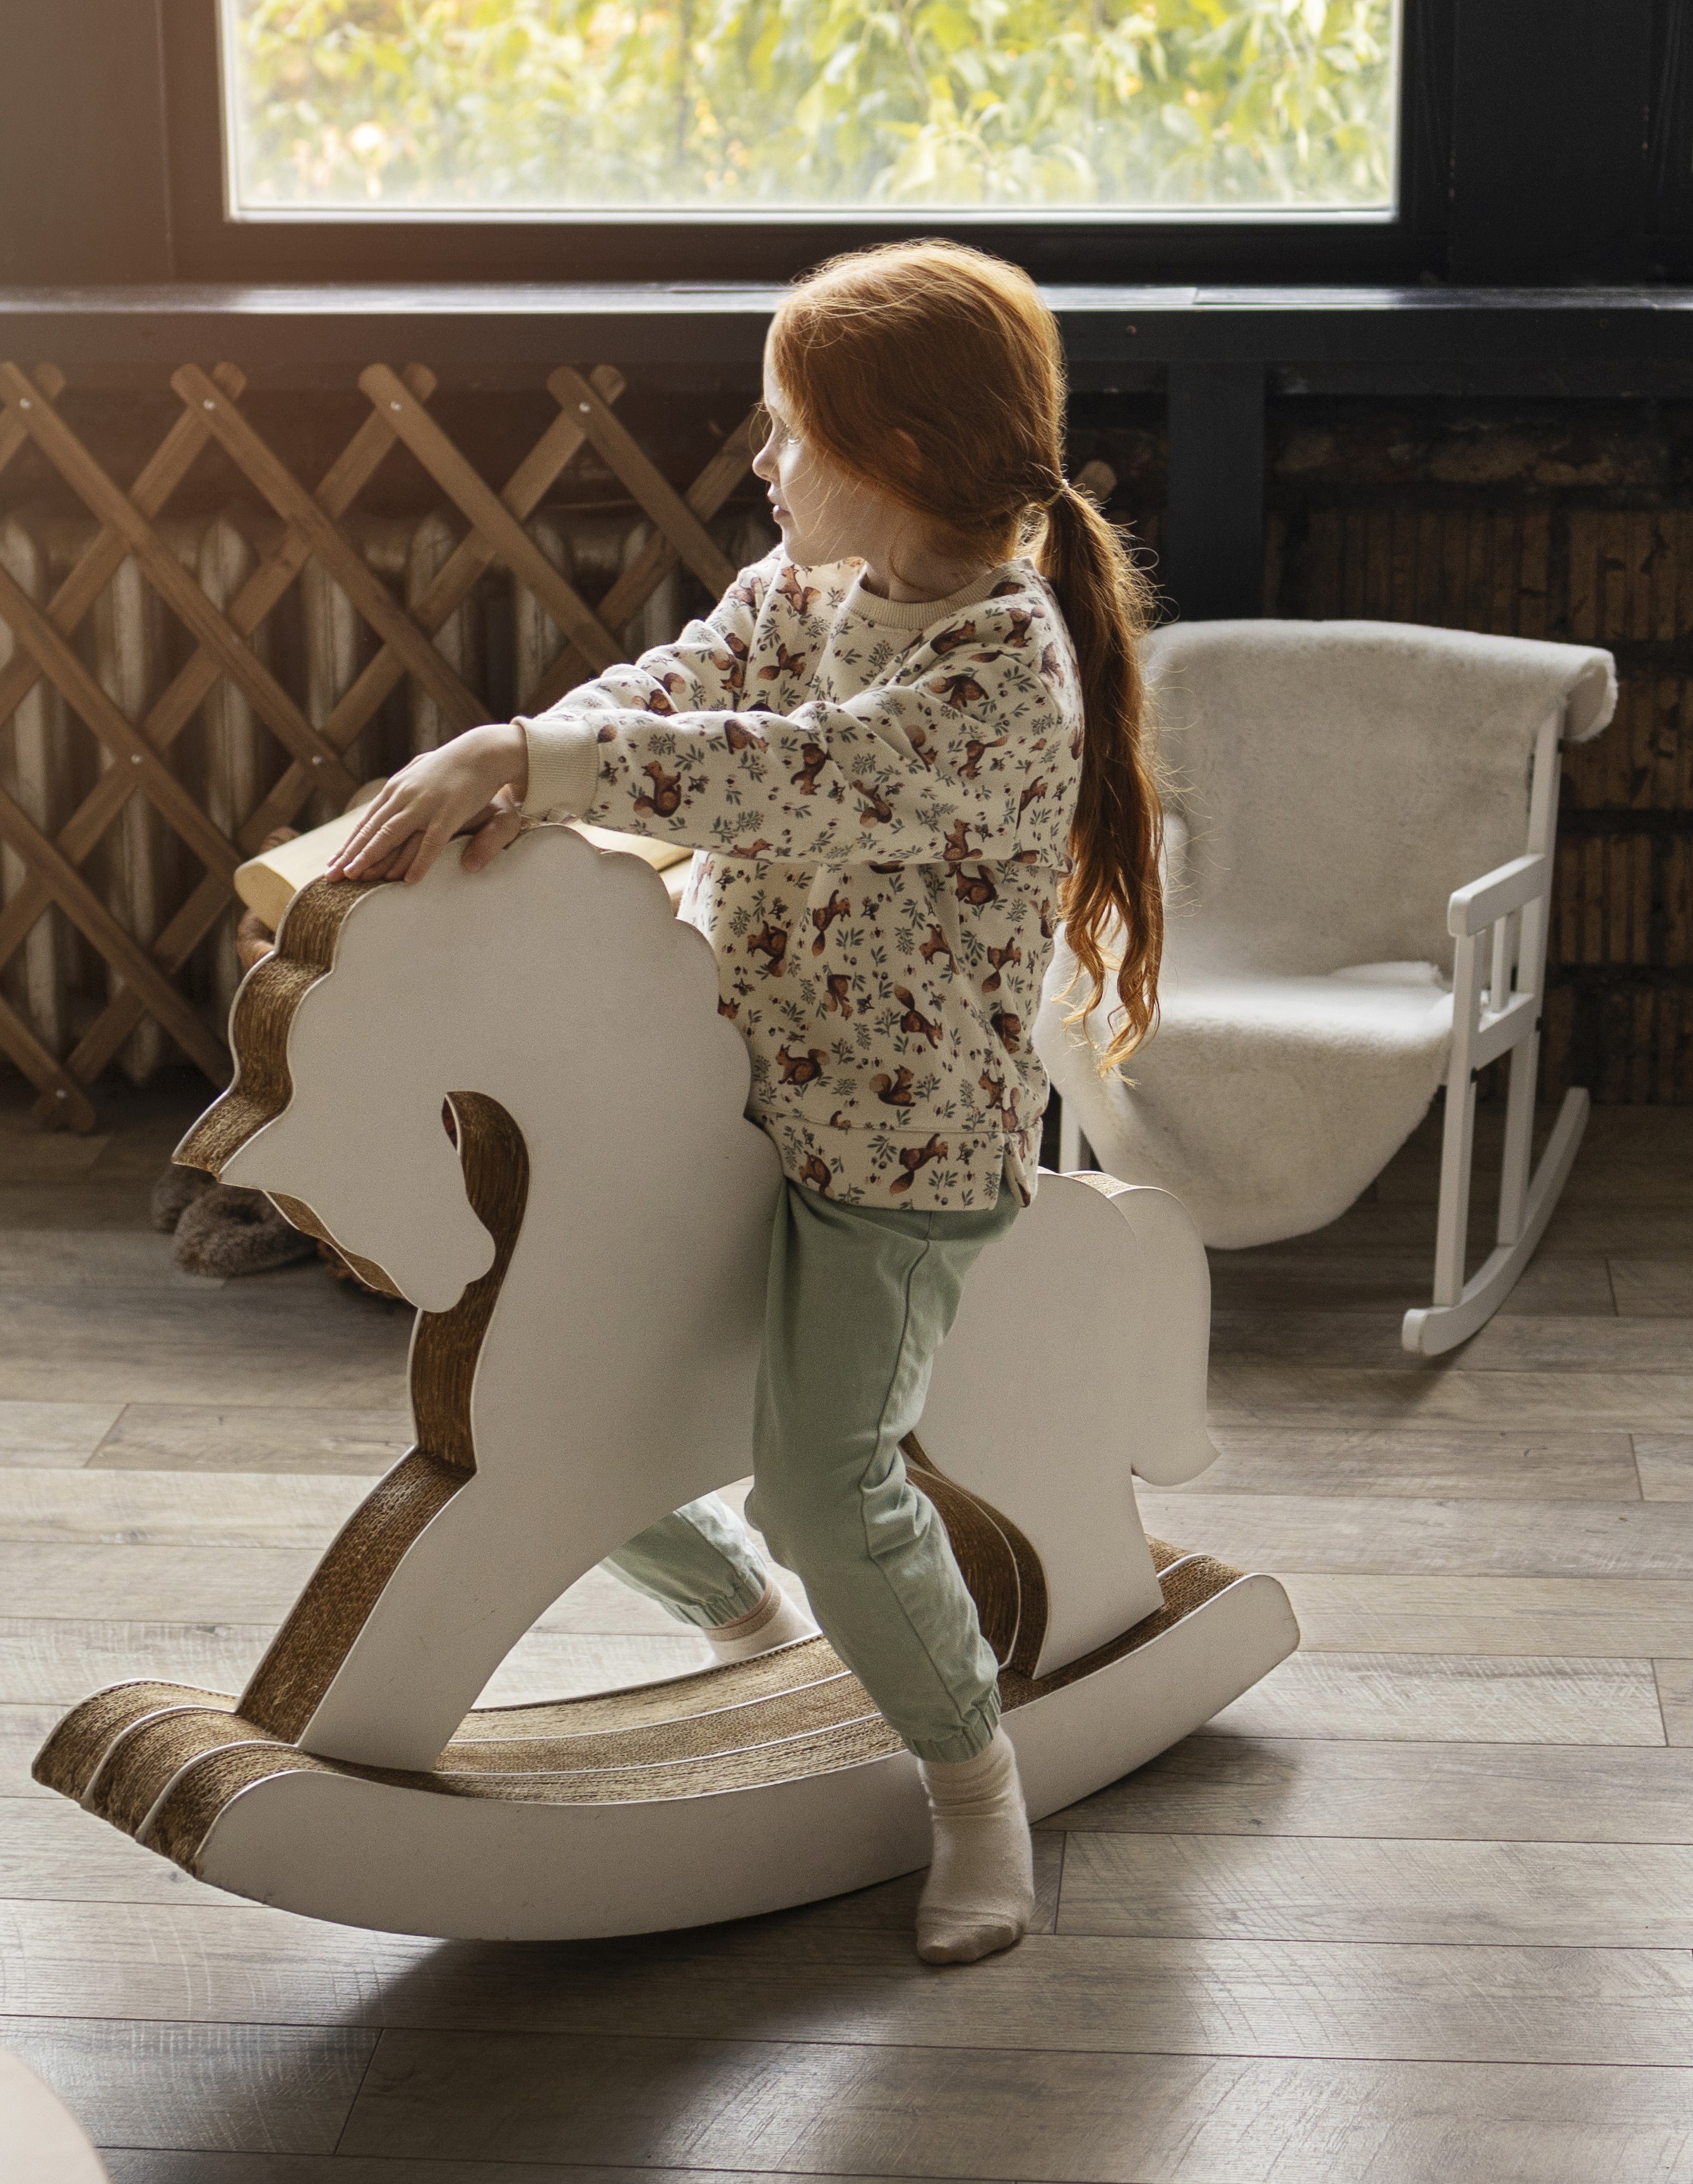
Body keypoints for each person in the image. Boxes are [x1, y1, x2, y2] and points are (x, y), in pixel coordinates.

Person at [325, 238, 1164, 1965]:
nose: (762, 463)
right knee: (536, 1393)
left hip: (893, 1155)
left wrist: (536, 763)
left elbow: (791, 777)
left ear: (902, 458)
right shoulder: (793, 593)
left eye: (789, 432)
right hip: (720, 1102)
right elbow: (669, 695)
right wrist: (518, 753)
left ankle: (972, 1785)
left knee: (823, 1475)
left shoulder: (1005, 677)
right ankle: (740, 1618)